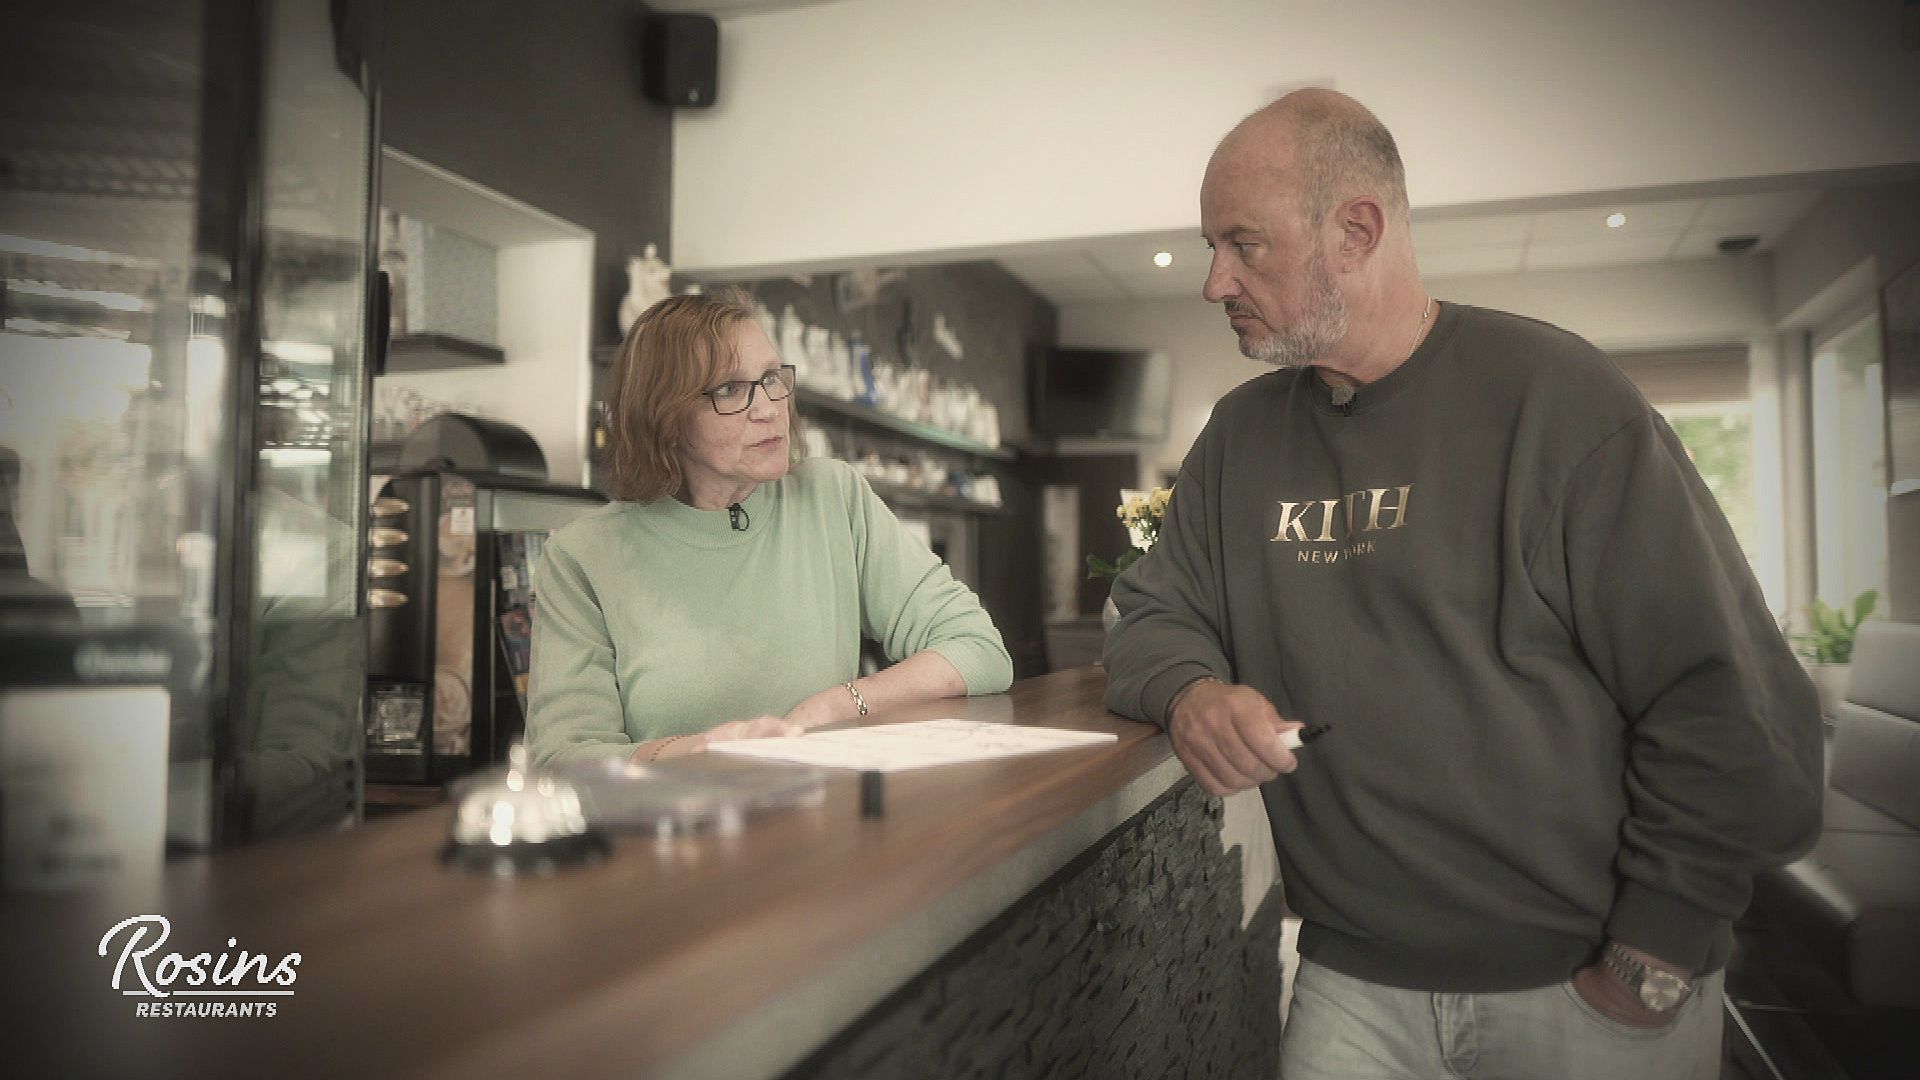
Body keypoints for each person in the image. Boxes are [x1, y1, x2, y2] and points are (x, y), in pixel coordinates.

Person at [1102, 89, 1822, 1080]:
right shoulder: (1239, 441)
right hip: (1351, 987)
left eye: (1243, 243)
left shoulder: (1561, 403)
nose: (1213, 279)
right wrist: (1189, 692)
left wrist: (1651, 961)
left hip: (1584, 990)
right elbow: (1148, 613)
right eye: (1209, 245)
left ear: (1356, 229)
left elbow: (1733, 707)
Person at [528, 292, 1013, 767]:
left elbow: (978, 650)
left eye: (770, 378)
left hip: (824, 819)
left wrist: (837, 704)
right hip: (673, 829)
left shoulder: (832, 497)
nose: (768, 407)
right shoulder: (584, 556)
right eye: (729, 390)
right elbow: (562, 755)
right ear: (665, 419)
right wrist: (709, 749)